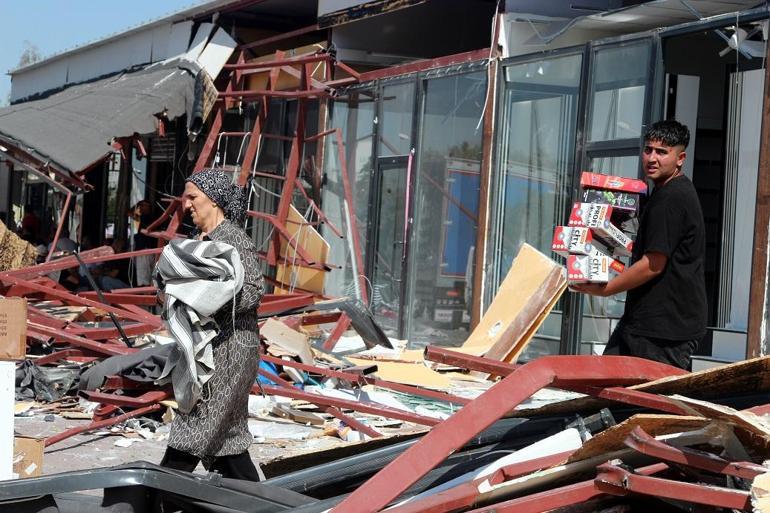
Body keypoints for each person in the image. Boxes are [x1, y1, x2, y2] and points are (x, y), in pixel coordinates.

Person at [571, 120, 706, 370]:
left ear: (680, 158)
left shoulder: (672, 198)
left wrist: (606, 288)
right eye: (648, 150)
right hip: (644, 322)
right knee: (604, 385)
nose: (652, 158)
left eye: (662, 152)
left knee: (654, 403)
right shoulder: (662, 192)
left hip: (664, 331)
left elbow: (653, 265)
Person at [157, 168, 265, 480]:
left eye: (193, 197)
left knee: (195, 425)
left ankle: (155, 495)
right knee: (225, 439)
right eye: (184, 197)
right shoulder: (196, 242)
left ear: (214, 201)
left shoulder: (232, 239)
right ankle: (253, 500)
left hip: (231, 350)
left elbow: (254, 289)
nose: (186, 204)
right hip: (208, 348)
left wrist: (205, 300)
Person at [130, 200, 156, 286]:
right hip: (148, 251)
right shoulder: (146, 218)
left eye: (144, 206)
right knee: (148, 278)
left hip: (145, 251)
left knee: (144, 280)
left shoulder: (146, 218)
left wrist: (138, 203)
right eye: (141, 206)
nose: (141, 207)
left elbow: (129, 212)